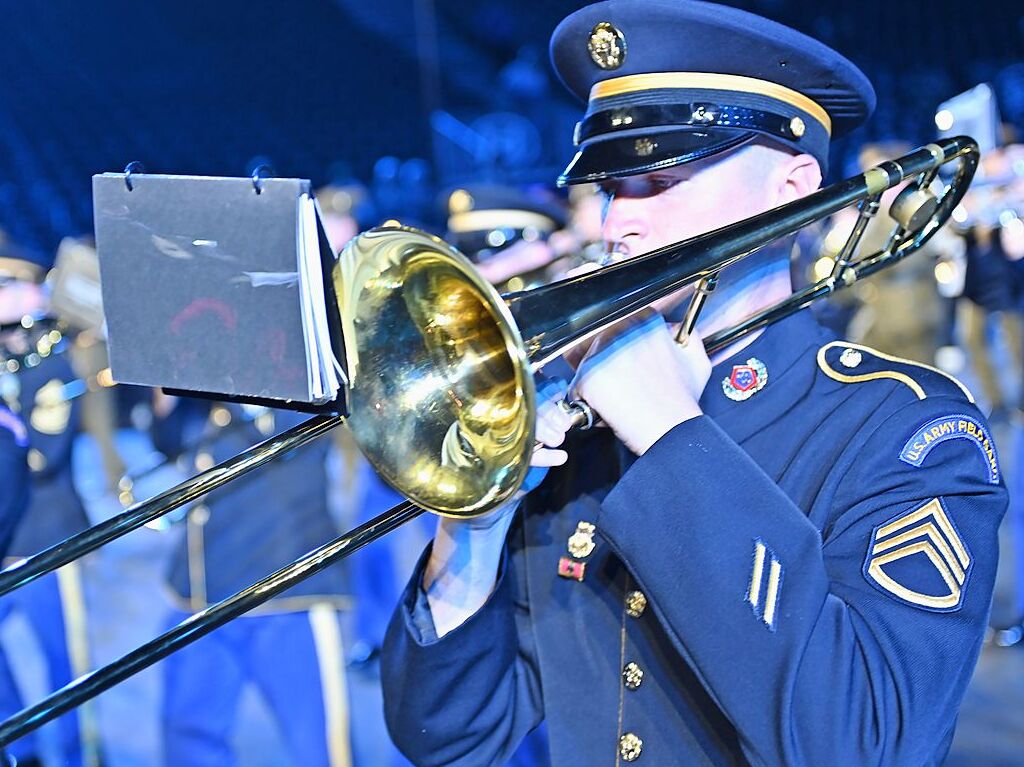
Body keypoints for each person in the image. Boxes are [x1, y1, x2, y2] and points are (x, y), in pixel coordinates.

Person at [379, 2, 1008, 766]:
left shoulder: (906, 431)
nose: (618, 223)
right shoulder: (582, 435)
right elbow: (448, 736)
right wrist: (472, 531)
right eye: (612, 187)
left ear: (792, 186)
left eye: (661, 178)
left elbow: (863, 743)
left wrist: (671, 434)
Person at [0, 234, 100, 767]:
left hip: (44, 543)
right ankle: (23, 749)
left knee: (67, 670)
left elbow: (42, 457)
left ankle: (76, 757)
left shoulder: (50, 365)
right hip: (3, 537)